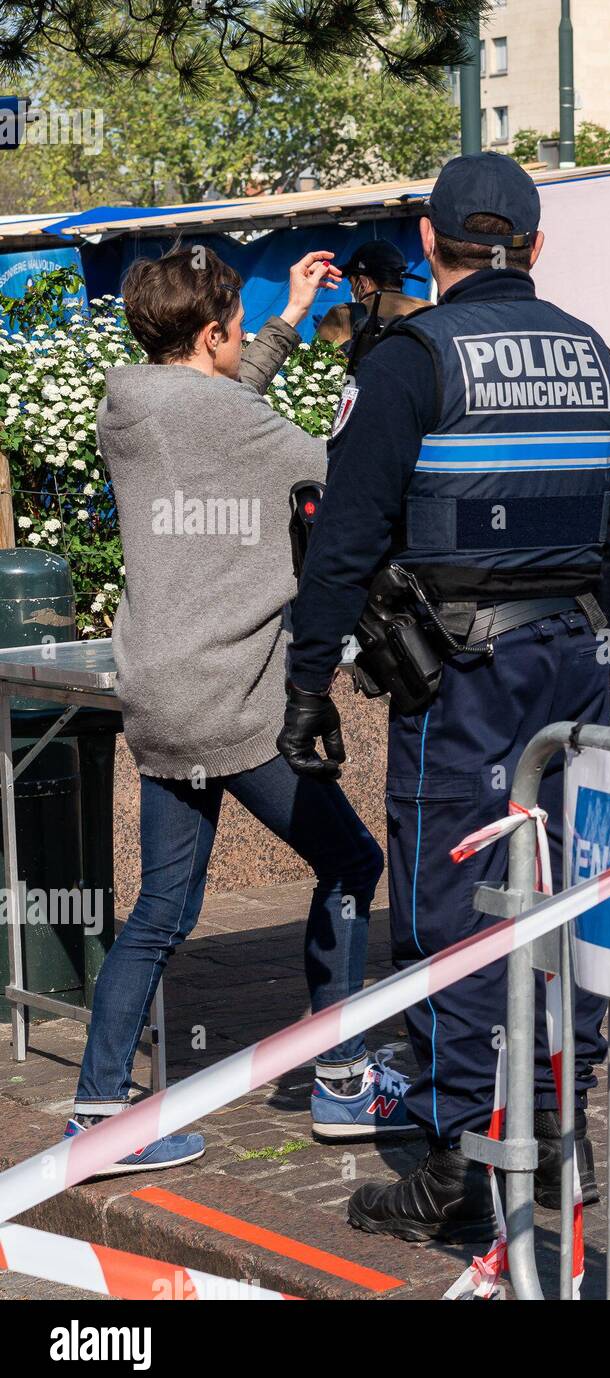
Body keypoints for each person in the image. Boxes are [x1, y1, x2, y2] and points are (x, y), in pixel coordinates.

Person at [278, 153, 610, 1243]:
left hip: (464, 680)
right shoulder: (597, 358)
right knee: (572, 899)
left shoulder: (407, 360)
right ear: (536, 248)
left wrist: (310, 685)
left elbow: (344, 541)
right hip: (575, 671)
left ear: (431, 246)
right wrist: (596, 639)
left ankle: (460, 1162)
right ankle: (555, 1132)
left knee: (455, 909)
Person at [69, 246, 414, 1174]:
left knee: (159, 914)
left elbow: (225, 402)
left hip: (157, 701)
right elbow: (349, 472)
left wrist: (288, 319)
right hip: (235, 707)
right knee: (351, 861)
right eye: (236, 329)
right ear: (213, 332)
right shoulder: (239, 428)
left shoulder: (129, 407)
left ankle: (98, 1114)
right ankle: (344, 1075)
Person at [315, 238, 431, 352]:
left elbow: (312, 365)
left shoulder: (342, 315)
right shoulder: (429, 311)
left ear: (363, 283)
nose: (351, 289)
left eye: (351, 282)